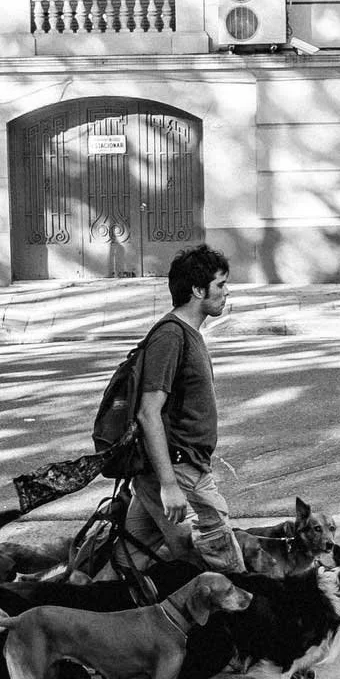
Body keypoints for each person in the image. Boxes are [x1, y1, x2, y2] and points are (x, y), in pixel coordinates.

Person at [121, 243, 246, 574]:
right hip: (179, 471)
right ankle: (235, 620)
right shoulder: (171, 337)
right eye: (220, 285)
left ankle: (84, 612)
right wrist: (169, 485)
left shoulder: (188, 333)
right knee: (222, 559)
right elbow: (148, 412)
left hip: (174, 468)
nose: (226, 292)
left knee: (127, 563)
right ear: (196, 289)